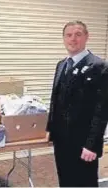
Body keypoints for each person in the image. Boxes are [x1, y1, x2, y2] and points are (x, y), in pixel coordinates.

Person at [46, 20, 108, 187]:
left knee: (84, 183)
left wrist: (92, 145)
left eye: (78, 34)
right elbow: (55, 100)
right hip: (62, 139)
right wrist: (50, 128)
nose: (73, 39)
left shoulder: (99, 66)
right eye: (69, 35)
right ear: (64, 39)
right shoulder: (61, 65)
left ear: (86, 37)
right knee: (65, 180)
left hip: (83, 143)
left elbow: (101, 110)